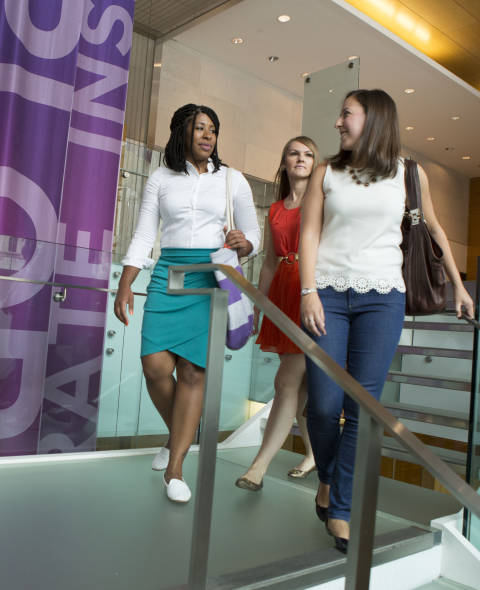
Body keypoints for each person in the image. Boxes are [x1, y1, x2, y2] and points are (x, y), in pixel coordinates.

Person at [298, 89, 473, 553]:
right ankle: (331, 478)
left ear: (373, 119)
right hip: (329, 297)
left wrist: (460, 286)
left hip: (383, 300)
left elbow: (435, 229)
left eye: (346, 114)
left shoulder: (410, 174)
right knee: (321, 404)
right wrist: (308, 290)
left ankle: (341, 509)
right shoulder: (325, 173)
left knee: (363, 410)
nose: (338, 122)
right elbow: (310, 232)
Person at [115, 104, 260, 503]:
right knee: (155, 366)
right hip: (168, 273)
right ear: (181, 132)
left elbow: (253, 233)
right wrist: (126, 283)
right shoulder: (161, 178)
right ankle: (176, 433)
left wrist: (246, 243)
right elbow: (145, 233)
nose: (207, 136)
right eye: (199, 128)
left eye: (212, 129)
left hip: (210, 274)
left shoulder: (233, 179)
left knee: (194, 372)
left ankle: (176, 467)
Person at [235, 137, 320, 493]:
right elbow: (269, 263)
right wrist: (258, 303)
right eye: (294, 153)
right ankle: (315, 455)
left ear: (315, 164)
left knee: (287, 381)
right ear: (284, 162)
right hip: (282, 294)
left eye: (308, 155)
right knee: (301, 387)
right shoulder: (274, 210)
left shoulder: (324, 203)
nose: (301, 159)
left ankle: (258, 466)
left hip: (311, 292)